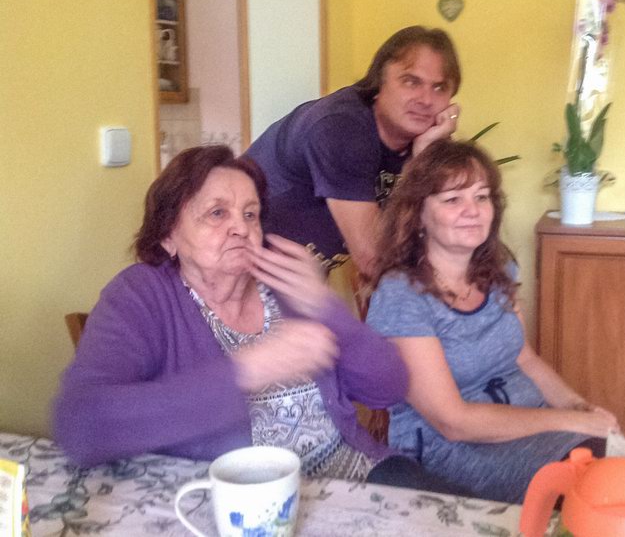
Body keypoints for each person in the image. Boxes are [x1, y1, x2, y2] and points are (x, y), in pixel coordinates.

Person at [51, 145, 442, 490]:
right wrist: (243, 371)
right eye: (217, 213)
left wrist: (325, 307)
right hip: (244, 498)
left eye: (251, 214)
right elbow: (81, 424)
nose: (240, 227)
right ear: (168, 235)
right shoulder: (141, 296)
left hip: (355, 476)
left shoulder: (284, 285)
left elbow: (388, 387)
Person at [365, 140, 625, 528]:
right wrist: (571, 423)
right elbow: (452, 421)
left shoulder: (498, 269)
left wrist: (579, 407)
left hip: (538, 431)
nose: (473, 210)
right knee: (611, 493)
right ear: (418, 214)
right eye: (453, 199)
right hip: (457, 451)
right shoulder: (401, 295)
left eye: (482, 196)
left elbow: (524, 358)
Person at [244, 26, 461, 278]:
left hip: (292, 280)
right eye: (411, 82)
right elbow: (373, 259)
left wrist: (424, 158)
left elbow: (430, 241)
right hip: (235, 273)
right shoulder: (342, 127)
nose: (425, 100)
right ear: (379, 83)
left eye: (439, 88)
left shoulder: (424, 141)